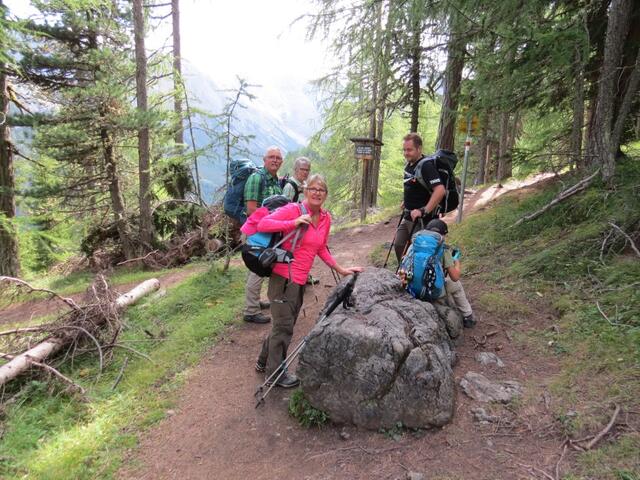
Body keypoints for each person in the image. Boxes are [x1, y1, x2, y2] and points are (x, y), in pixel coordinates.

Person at [254, 174, 363, 387]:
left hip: (299, 281)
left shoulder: (325, 218)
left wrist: (341, 270)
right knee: (284, 326)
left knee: (284, 323)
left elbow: (321, 247)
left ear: (326, 194)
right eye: (313, 188)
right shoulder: (294, 210)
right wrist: (293, 222)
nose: (317, 193)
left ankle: (263, 361)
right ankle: (275, 374)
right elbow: (263, 224)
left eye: (321, 190)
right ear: (305, 191)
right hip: (282, 278)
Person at [242, 146, 284, 324]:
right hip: (257, 233)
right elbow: (251, 209)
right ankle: (251, 311)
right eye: (271, 157)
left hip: (268, 233)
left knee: (260, 267)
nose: (275, 160)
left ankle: (255, 301)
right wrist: (272, 220)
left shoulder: (275, 181)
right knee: (257, 270)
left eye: (278, 158)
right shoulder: (256, 178)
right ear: (264, 159)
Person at [394, 133, 446, 263]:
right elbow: (415, 186)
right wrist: (406, 201)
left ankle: (417, 272)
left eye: (409, 150)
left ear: (419, 149)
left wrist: (423, 210)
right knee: (399, 244)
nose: (406, 153)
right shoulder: (409, 165)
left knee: (417, 250)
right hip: (408, 215)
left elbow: (440, 190)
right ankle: (405, 270)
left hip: (422, 219)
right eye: (404, 150)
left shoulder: (426, 166)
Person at [425, 219, 475, 328]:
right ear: (442, 235)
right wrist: (456, 261)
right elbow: (455, 277)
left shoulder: (415, 244)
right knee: (456, 284)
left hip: (413, 288)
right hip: (431, 290)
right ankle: (468, 316)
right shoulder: (442, 249)